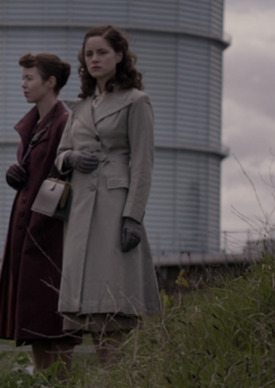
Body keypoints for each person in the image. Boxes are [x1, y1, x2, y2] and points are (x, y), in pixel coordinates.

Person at [54, 25, 161, 365]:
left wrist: (133, 215)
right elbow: (60, 155)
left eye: (102, 52)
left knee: (114, 305)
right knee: (88, 308)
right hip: (81, 210)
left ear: (119, 56)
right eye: (89, 54)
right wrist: (70, 158)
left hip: (115, 209)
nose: (95, 59)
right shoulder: (81, 106)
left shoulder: (136, 101)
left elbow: (143, 163)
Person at [0, 53, 79, 376]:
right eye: (23, 78)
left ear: (50, 82)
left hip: (49, 235)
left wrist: (41, 221)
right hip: (27, 230)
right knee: (36, 325)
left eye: (30, 78)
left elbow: (65, 178)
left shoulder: (64, 123)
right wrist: (18, 175)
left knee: (53, 323)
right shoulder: (35, 125)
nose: (23, 84)